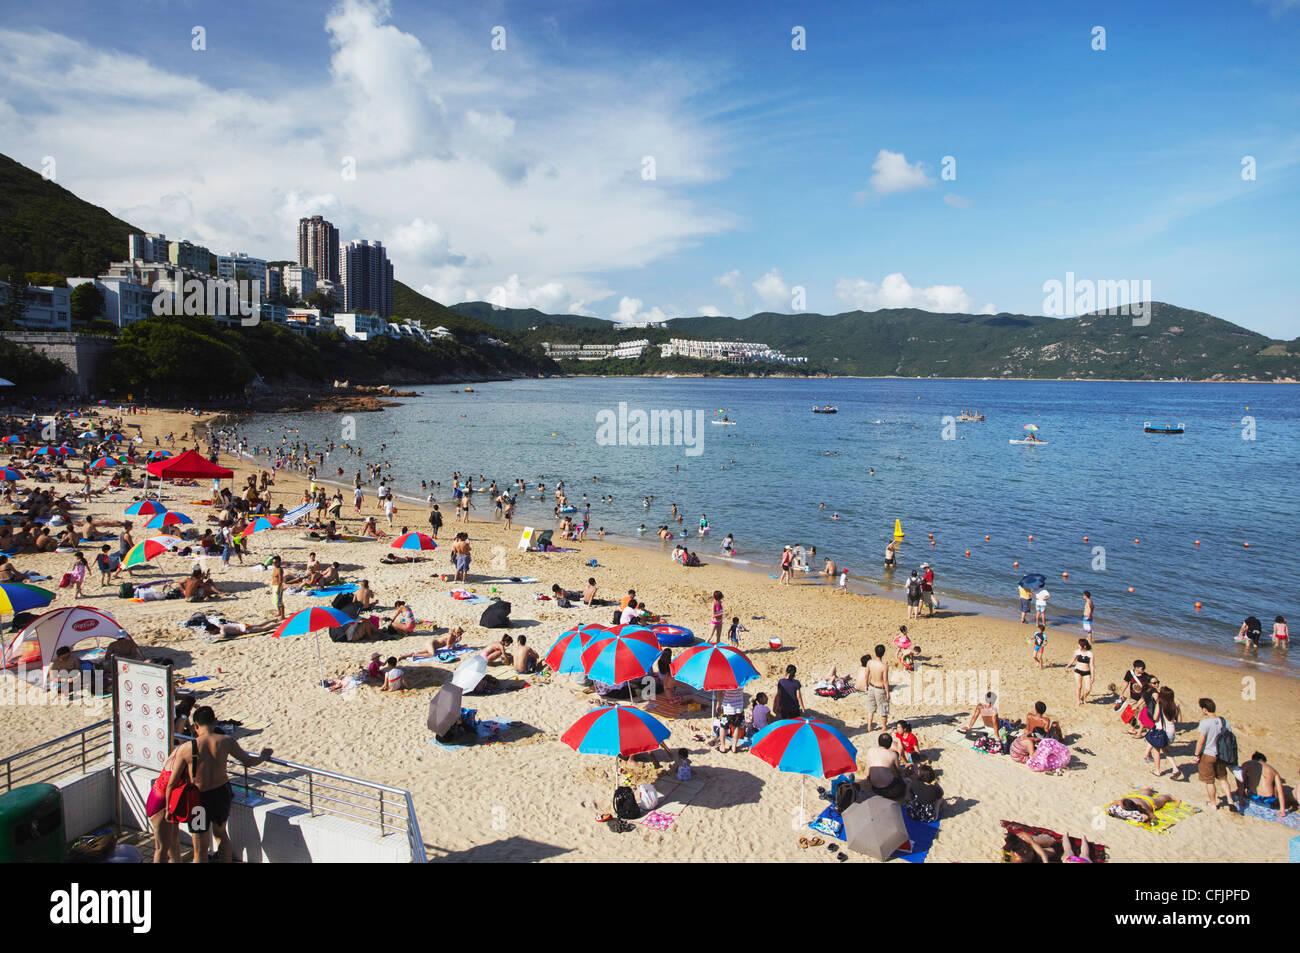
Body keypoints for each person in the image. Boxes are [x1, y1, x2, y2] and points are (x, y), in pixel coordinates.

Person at [164, 706, 272, 863]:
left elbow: (171, 783)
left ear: (195, 726)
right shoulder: (226, 741)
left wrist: (168, 809)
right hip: (220, 794)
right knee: (221, 834)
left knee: (200, 847)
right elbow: (248, 761)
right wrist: (263, 756)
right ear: (214, 722)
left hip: (198, 800)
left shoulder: (186, 749)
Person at [1194, 698, 1240, 811]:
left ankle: (1213, 803)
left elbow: (1201, 741)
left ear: (1205, 710)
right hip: (1221, 754)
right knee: (1223, 778)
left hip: (1208, 754)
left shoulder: (1205, 723)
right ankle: (1230, 800)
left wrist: (1196, 754)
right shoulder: (1224, 721)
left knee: (1209, 781)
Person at [1237, 752, 1289, 819]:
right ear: (1263, 760)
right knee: (1276, 785)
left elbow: (1240, 778)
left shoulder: (1247, 764)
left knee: (1240, 774)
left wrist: (1241, 798)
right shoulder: (1273, 770)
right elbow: (1280, 791)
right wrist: (1282, 809)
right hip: (1269, 800)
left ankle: (1242, 794)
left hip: (1253, 796)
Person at [1144, 686, 1179, 778]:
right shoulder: (1175, 706)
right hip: (1171, 732)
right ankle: (1175, 768)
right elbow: (1178, 719)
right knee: (1166, 750)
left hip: (1161, 732)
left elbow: (1155, 717)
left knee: (1157, 751)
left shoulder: (1160, 704)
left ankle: (1157, 770)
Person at [859, 645, 890, 732]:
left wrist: (866, 685)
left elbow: (866, 675)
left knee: (871, 708)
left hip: (871, 686)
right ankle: (884, 727)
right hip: (880, 688)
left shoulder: (870, 662)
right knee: (883, 708)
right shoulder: (884, 666)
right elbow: (885, 681)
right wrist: (887, 692)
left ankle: (869, 726)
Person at [865, 733, 906, 799]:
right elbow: (899, 771)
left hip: (874, 787)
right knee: (904, 782)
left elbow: (868, 774)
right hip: (889, 788)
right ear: (890, 744)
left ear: (879, 742)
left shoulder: (870, 751)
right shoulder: (893, 754)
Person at [717, 686, 745, 753]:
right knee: (737, 727)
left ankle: (723, 746)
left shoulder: (726, 682)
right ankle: (734, 747)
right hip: (738, 707)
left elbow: (720, 692)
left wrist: (718, 704)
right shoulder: (741, 680)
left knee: (723, 727)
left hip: (727, 708)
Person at [1071, 638, 1094, 704]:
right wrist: (1067, 667)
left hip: (1087, 672)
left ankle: (1083, 697)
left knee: (1088, 689)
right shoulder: (1077, 652)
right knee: (1079, 686)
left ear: (1084, 646)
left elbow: (1092, 666)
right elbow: (1072, 660)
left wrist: (1093, 676)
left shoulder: (1090, 654)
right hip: (1078, 671)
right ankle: (1078, 700)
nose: (1078, 646)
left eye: (1079, 645)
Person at [270, 555, 285, 620]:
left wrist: (278, 588)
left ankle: (282, 615)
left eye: (276, 562)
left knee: (279, 601)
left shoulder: (279, 569)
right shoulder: (274, 568)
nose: (274, 564)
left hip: (278, 586)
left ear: (279, 562)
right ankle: (279, 612)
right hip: (274, 585)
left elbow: (281, 580)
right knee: (276, 601)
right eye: (273, 563)